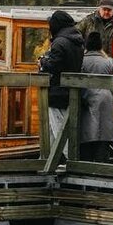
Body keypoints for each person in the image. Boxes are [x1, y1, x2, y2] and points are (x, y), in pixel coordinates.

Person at [37, 10, 85, 152]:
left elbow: (54, 65)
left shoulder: (59, 42)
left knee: (58, 129)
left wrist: (43, 63)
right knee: (57, 128)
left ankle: (68, 160)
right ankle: (49, 159)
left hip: (57, 92)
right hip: (71, 91)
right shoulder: (77, 40)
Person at [79, 31, 113, 163]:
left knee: (86, 136)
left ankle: (86, 168)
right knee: (103, 136)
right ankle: (103, 167)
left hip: (87, 99)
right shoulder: (108, 62)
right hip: (106, 100)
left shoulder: (82, 61)